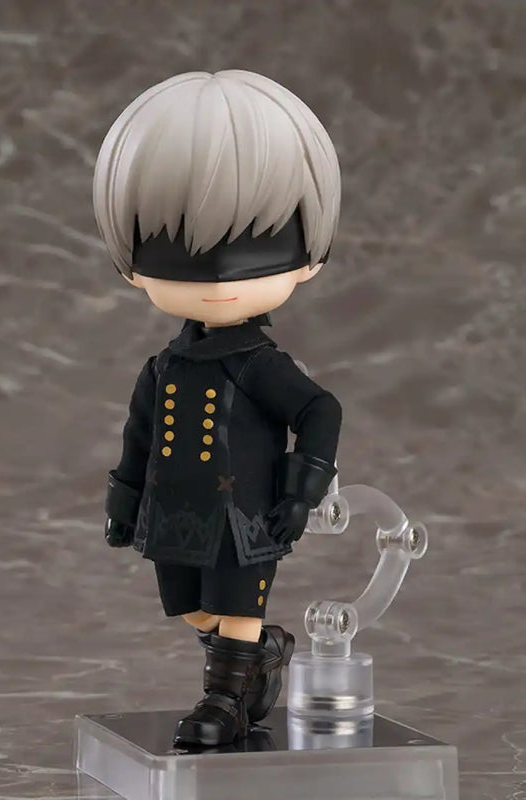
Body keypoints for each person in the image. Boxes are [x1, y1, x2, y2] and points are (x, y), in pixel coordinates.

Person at [93, 70, 343, 748]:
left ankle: (225, 700)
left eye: (258, 246)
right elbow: (138, 438)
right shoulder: (165, 366)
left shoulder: (259, 364)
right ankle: (260, 654)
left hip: (243, 515)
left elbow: (319, 411)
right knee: (189, 606)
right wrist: (124, 502)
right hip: (175, 509)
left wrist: (301, 493)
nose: (219, 279)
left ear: (307, 257)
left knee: (235, 604)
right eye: (180, 253)